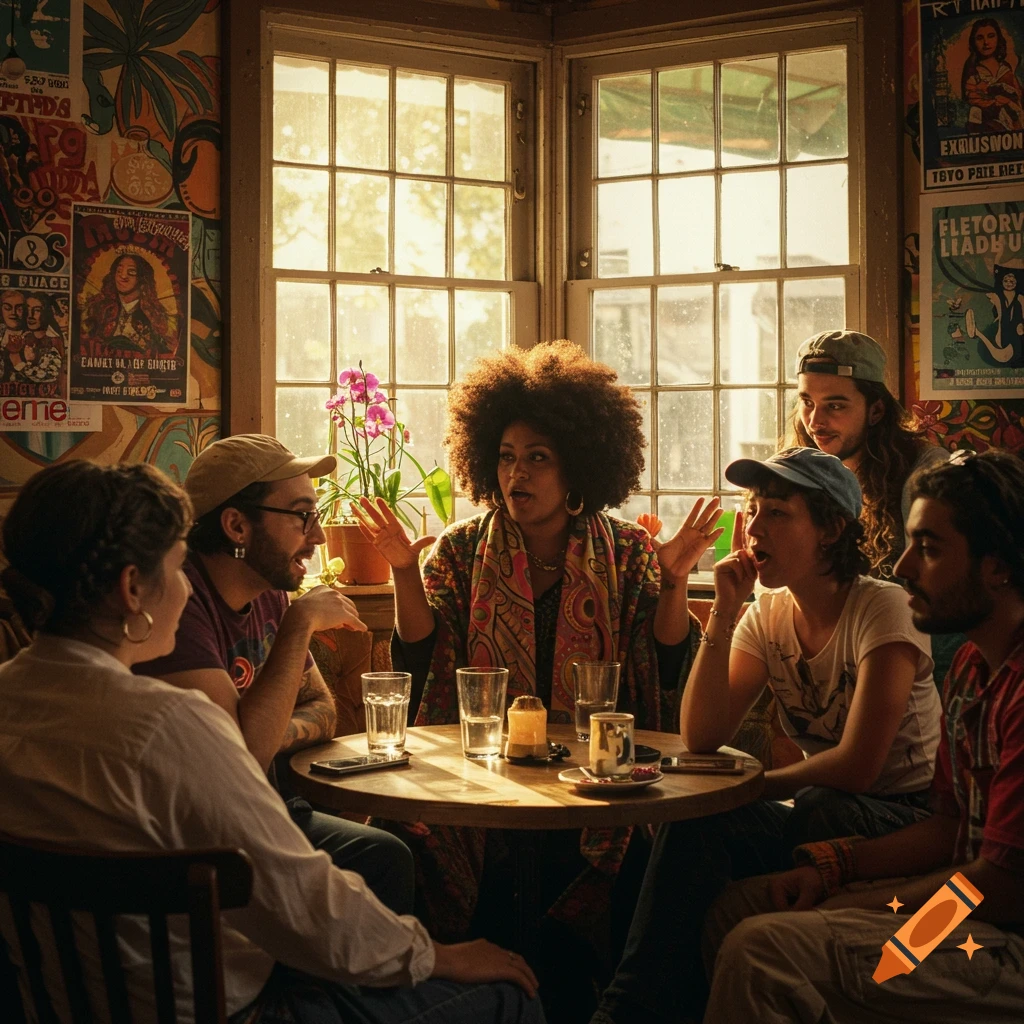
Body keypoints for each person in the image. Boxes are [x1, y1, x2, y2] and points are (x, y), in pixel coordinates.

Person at [0, 459, 545, 1024]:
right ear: (132, 589)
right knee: (513, 996)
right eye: (176, 565)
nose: (186, 586)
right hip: (234, 1011)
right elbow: (301, 901)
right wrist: (438, 956)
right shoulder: (168, 724)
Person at [353, 341, 717, 1017]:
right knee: (418, 840)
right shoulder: (459, 551)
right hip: (488, 778)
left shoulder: (629, 552)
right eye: (506, 456)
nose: (517, 472)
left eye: (538, 457)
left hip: (594, 782)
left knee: (627, 864)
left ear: (578, 465)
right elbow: (425, 655)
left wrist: (674, 585)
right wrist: (405, 570)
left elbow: (661, 665)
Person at [590, 446, 941, 1024]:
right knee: (696, 818)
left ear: (830, 528)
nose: (754, 528)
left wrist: (750, 786)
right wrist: (725, 613)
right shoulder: (767, 613)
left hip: (904, 816)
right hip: (816, 807)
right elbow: (702, 735)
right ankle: (631, 1007)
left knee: (820, 805)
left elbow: (859, 767)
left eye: (777, 513)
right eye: (752, 511)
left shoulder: (884, 608)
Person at [698, 448, 1024, 1022]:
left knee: (763, 946)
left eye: (928, 548)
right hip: (969, 904)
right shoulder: (976, 669)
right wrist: (835, 868)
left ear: (997, 566)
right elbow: (949, 829)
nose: (902, 567)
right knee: (735, 908)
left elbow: (1002, 886)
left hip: (1000, 939)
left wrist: (865, 902)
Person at [135, 433, 416, 916]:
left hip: (266, 806)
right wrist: (300, 624)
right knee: (385, 857)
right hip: (207, 836)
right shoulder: (177, 606)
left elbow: (322, 711)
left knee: (390, 846)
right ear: (237, 525)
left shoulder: (268, 590)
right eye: (302, 516)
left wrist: (256, 724)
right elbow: (247, 751)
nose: (320, 536)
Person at [791, 329, 949, 579]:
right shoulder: (802, 467)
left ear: (875, 411)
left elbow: (938, 588)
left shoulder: (925, 475)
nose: (815, 422)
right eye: (807, 402)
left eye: (834, 406)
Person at [81, 251, 177, 359]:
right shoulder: (98, 309)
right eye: (119, 271)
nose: (122, 276)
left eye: (131, 272)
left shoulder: (156, 316)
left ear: (142, 279)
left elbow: (168, 350)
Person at [960, 17, 1024, 136]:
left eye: (991, 36)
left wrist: (1009, 101)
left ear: (998, 38)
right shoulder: (973, 73)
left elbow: (1018, 95)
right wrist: (995, 101)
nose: (986, 42)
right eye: (980, 38)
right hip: (987, 126)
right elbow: (972, 100)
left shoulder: (1006, 69)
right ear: (973, 42)